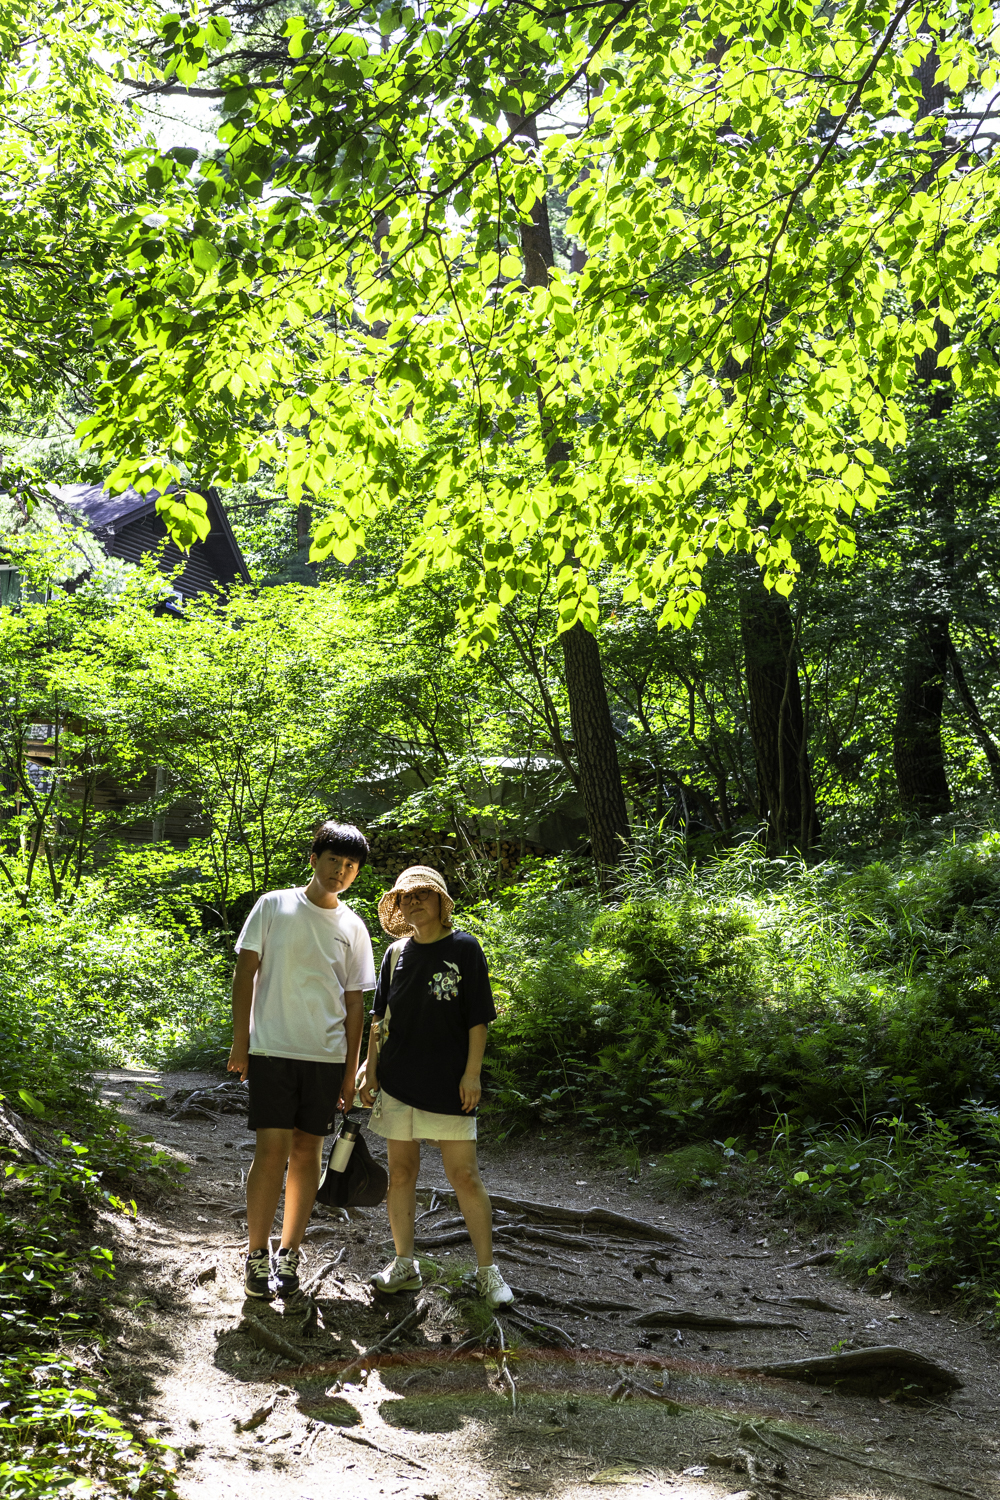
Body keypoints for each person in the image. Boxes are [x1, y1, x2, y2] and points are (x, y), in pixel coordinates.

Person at [228, 820, 376, 1304]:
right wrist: (241, 1043)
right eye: (334, 860)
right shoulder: (273, 905)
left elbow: (355, 1004)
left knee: (308, 1151)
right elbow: (245, 973)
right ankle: (257, 1253)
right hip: (272, 1048)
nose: (341, 871)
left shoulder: (353, 927)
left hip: (325, 1056)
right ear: (314, 859)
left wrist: (350, 1071)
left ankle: (290, 1253)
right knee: (271, 1149)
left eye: (350, 865)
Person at [359, 865, 513, 1308]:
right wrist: (370, 1069)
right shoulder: (395, 954)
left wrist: (472, 1073)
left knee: (464, 1175)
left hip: (450, 1083)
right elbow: (379, 1017)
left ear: (441, 902)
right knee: (402, 1173)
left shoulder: (464, 948)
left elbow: (478, 1018)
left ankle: (488, 1272)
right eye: (405, 897)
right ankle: (404, 1264)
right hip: (398, 1080)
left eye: (422, 894)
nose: (413, 902)